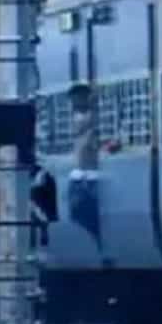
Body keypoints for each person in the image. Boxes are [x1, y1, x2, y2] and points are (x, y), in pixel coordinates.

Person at [67, 84, 102, 250]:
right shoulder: (77, 117)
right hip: (79, 173)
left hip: (89, 174)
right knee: (77, 211)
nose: (75, 101)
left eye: (79, 97)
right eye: (74, 98)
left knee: (84, 210)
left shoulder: (90, 117)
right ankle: (96, 240)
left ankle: (98, 241)